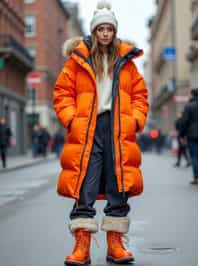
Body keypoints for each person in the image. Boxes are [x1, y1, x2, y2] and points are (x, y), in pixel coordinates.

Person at [53, 1, 149, 265]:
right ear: (94, 32)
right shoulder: (78, 60)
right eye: (100, 29)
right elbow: (62, 93)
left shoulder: (126, 62)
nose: (105, 33)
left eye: (109, 29)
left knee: (118, 186)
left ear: (114, 31)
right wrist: (72, 120)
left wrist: (136, 120)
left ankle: (115, 245)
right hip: (87, 129)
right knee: (86, 184)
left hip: (118, 129)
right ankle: (81, 246)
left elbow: (140, 95)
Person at [180, 88, 198, 184]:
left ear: (192, 95)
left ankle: (197, 177)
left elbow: (184, 122)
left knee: (195, 156)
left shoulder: (189, 106)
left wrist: (182, 135)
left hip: (192, 135)